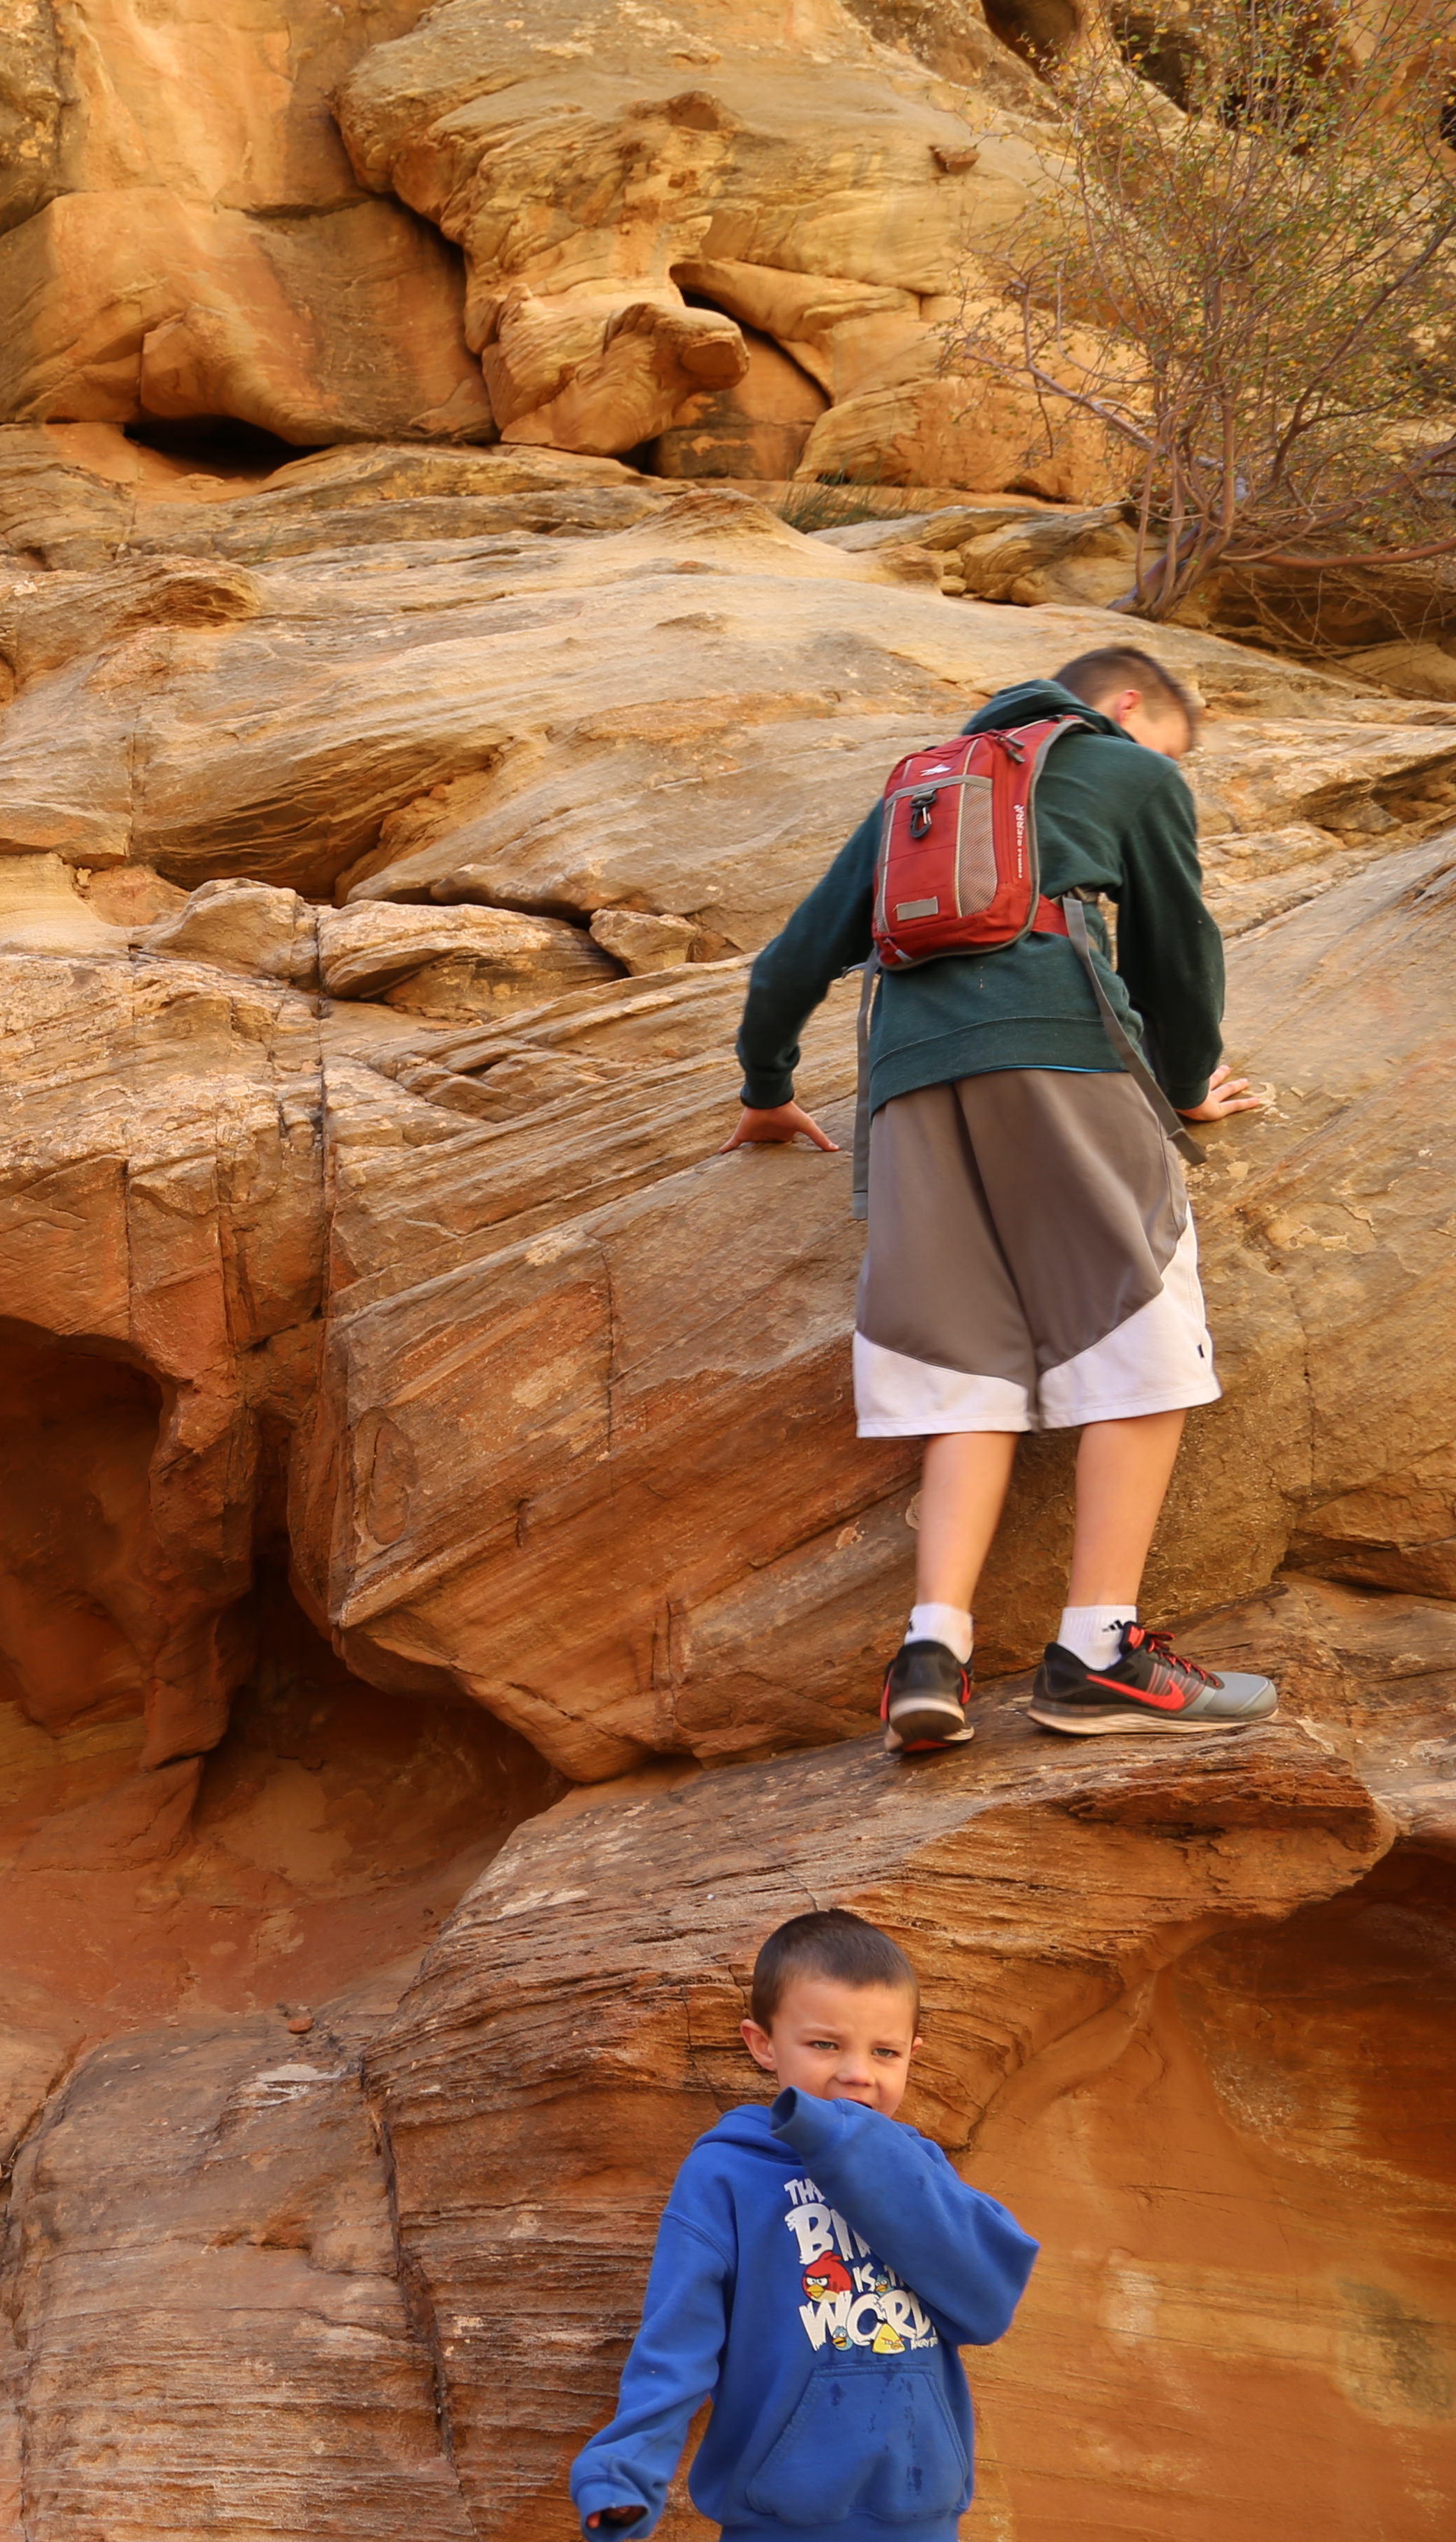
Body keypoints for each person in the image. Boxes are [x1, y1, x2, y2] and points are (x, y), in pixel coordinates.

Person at [729, 647, 1280, 1752]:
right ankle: (1097, 1654)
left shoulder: (917, 787)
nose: (1159, 763)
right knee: (1141, 1330)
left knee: (960, 1360)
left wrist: (766, 1091)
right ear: (1124, 708)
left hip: (909, 1093)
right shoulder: (1129, 770)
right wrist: (1181, 1092)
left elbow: (788, 964)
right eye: (1162, 744)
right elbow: (1181, 958)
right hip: (1061, 1056)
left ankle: (932, 1653)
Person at [571, 1910, 1040, 2539]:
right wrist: (620, 2474)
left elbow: (985, 2307)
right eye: (825, 2044)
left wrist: (855, 2144)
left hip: (924, 2520)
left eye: (885, 2052)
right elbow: (677, 2343)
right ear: (763, 2043)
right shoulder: (726, 2174)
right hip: (778, 2522)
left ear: (913, 2055)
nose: (857, 2073)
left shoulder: (920, 2167)